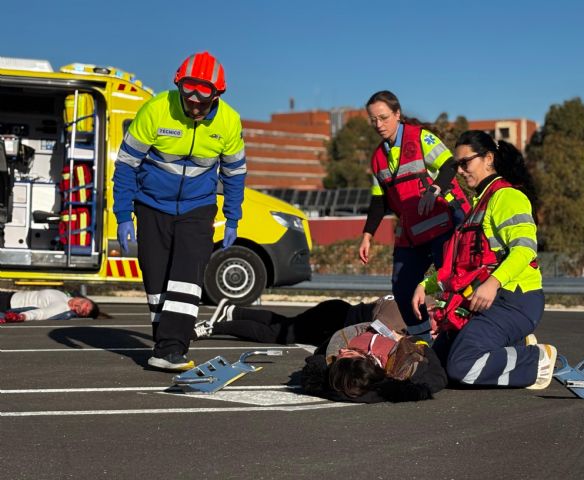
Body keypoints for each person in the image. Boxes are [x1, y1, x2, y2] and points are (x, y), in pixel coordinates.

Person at [112, 51, 247, 372]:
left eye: (203, 95)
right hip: (151, 206)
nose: (194, 101)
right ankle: (165, 341)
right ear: (178, 85)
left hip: (198, 209)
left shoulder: (229, 122)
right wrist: (122, 214)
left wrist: (232, 217)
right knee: (156, 279)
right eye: (187, 90)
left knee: (186, 278)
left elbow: (235, 174)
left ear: (217, 94)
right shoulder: (156, 110)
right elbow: (126, 165)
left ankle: (172, 347)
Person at [412, 130, 555, 390]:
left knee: (462, 366)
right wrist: (427, 285)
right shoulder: (478, 204)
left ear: (488, 158)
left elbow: (525, 250)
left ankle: (536, 359)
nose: (460, 171)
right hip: (482, 302)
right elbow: (461, 267)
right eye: (457, 165)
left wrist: (493, 282)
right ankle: (516, 345)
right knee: (438, 364)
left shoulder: (507, 197)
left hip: (515, 300)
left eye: (465, 163)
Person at [359, 91, 470, 338]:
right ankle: (422, 341)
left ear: (397, 114)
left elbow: (451, 165)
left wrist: (435, 189)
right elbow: (379, 200)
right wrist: (367, 235)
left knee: (452, 283)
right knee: (402, 286)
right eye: (373, 120)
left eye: (384, 117)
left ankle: (461, 334)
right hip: (412, 231)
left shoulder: (421, 139)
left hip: (446, 223)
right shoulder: (378, 158)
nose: (379, 124)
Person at [194, 295, 447, 403]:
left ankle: (235, 311)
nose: (436, 330)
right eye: (437, 323)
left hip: (338, 313)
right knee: (279, 332)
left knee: (286, 327)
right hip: (336, 320)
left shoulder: (412, 303)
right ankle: (215, 327)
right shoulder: (393, 323)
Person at [0, 289, 101, 322]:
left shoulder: (62, 307)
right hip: (9, 295)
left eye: (80, 309)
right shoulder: (65, 296)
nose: (77, 304)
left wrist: (22, 316)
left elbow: (42, 314)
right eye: (83, 303)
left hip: (6, 304)